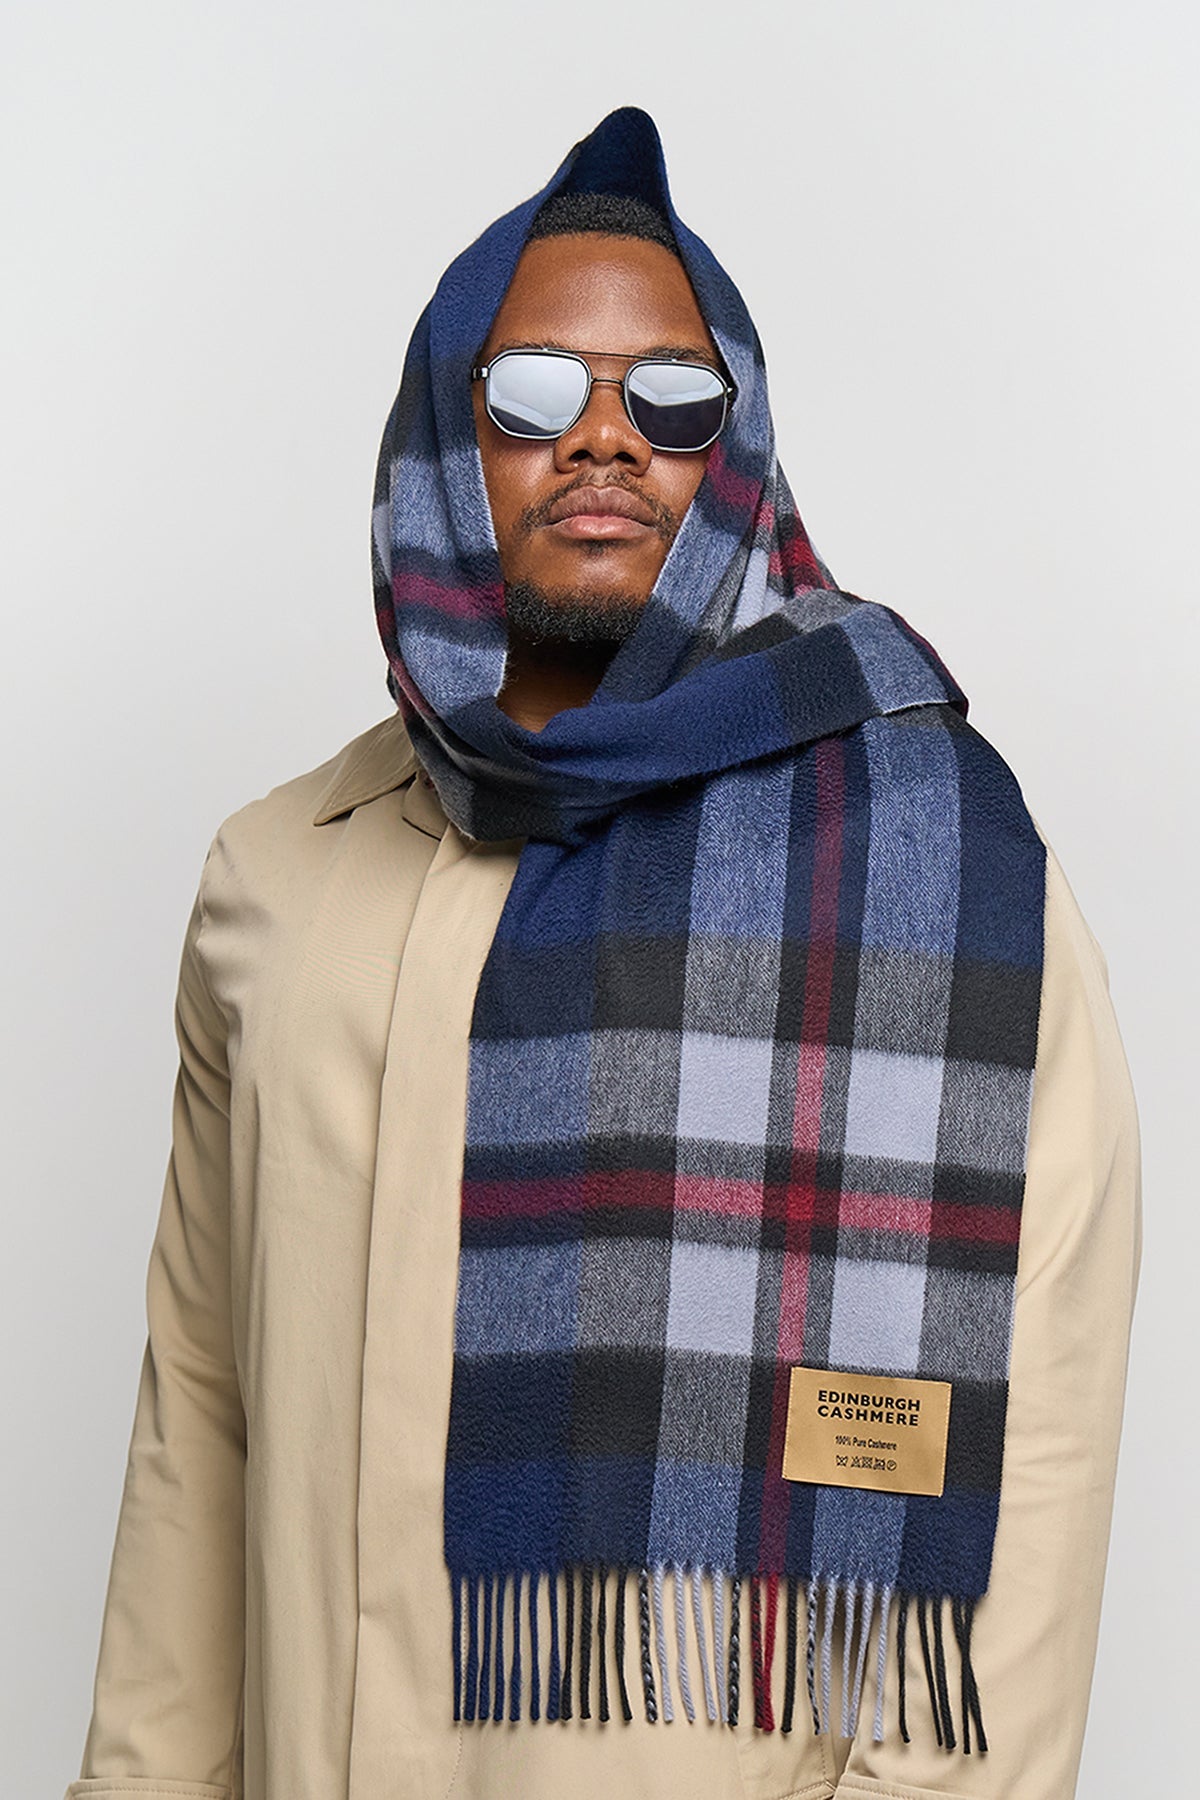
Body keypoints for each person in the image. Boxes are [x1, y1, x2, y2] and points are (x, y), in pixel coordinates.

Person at [64, 108, 1141, 1800]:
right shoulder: (280, 878)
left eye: (673, 399)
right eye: (534, 393)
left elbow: (1037, 1464)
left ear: (735, 456)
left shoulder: (939, 874)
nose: (606, 438)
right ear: (446, 442)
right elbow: (200, 1426)